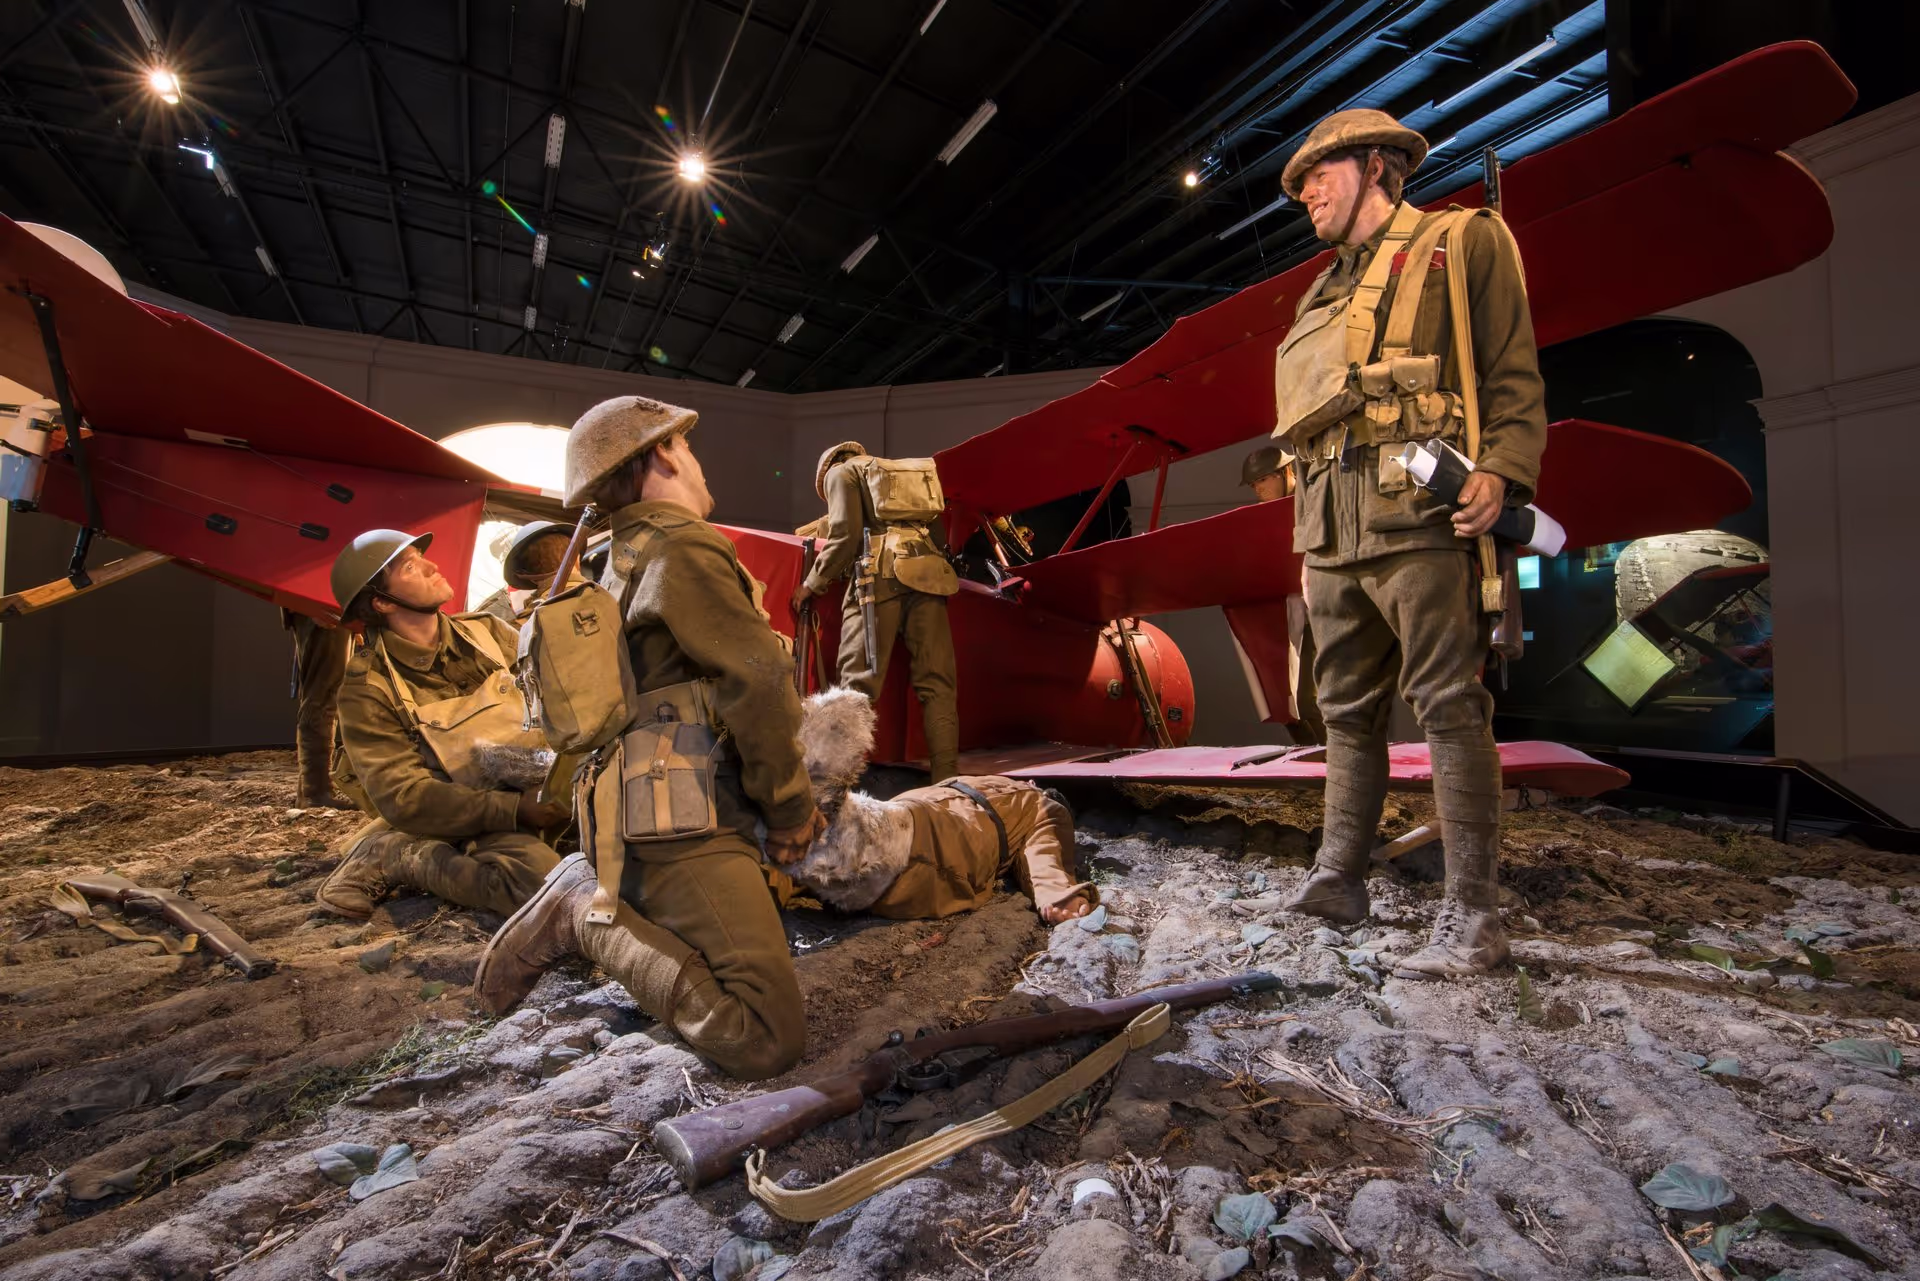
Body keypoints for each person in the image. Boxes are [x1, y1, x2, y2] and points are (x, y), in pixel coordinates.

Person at [476, 396, 825, 1081]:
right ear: (664, 452)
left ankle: (598, 890)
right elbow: (756, 687)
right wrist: (790, 810)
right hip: (682, 821)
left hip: (644, 809)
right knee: (765, 1038)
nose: (695, 459)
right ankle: (586, 914)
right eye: (687, 447)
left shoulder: (622, 554)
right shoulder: (685, 543)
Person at [1273, 110, 1546, 979]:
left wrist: (1501, 470)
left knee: (1447, 708)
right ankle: (1338, 878)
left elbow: (1510, 370)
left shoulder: (1460, 243)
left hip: (1418, 517)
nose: (1306, 189)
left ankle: (1474, 919)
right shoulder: (1318, 293)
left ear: (1378, 166)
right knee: (1344, 715)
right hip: (1329, 532)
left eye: (1322, 171)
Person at [317, 530, 566, 919]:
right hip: (463, 812)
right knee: (545, 893)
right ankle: (398, 855)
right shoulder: (370, 688)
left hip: (542, 788)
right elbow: (404, 796)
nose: (433, 566)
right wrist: (512, 809)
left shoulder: (489, 633)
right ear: (382, 601)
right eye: (412, 566)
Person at [789, 689, 1095, 923]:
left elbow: (1044, 852)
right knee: (853, 835)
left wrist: (1057, 896)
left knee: (862, 847)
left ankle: (802, 796)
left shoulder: (1042, 806)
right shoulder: (1003, 786)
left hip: (940, 839)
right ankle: (801, 811)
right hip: (919, 815)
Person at [789, 442, 961, 783]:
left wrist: (811, 583)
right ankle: (947, 784)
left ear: (827, 471)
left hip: (878, 576)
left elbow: (845, 536)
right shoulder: (901, 480)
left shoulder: (842, 473)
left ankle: (835, 791)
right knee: (938, 686)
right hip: (929, 574)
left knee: (856, 687)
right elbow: (940, 534)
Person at [1233, 445, 1325, 745]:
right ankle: (1315, 764)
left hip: (1320, 607)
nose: (1258, 489)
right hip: (1285, 608)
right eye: (1254, 484)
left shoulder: (1313, 499)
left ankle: (1337, 766)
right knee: (1282, 703)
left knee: (1309, 700)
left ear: (1285, 473)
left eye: (1263, 480)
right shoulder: (1264, 515)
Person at [281, 609, 353, 808]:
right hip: (324, 607)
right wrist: (311, 604)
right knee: (322, 695)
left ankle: (310, 792)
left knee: (327, 694)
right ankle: (316, 794)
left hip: (336, 606)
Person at [474, 521, 582, 625]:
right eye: (501, 555)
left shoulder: (525, 626)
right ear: (577, 559)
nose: (503, 557)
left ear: (529, 578)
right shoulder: (597, 592)